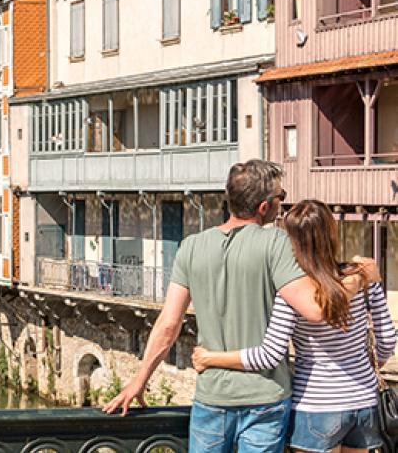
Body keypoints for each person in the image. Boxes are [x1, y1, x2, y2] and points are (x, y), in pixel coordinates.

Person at [102, 160, 379, 453]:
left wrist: (140, 379)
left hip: (212, 396)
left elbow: (169, 325)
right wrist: (360, 276)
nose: (281, 205)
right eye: (280, 198)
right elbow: (316, 309)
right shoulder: (277, 243)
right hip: (266, 397)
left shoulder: (191, 246)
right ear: (264, 207)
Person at [192, 199, 396, 453]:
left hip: (316, 406)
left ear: (293, 242)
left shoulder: (294, 293)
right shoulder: (364, 277)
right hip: (363, 402)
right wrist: (362, 368)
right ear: (332, 233)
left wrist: (211, 358)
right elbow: (387, 338)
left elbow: (269, 355)